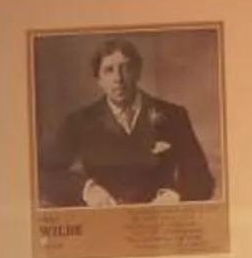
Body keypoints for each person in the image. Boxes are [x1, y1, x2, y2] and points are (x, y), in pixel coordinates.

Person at [40, 37, 216, 210]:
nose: (118, 78)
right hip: (104, 221)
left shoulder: (173, 116)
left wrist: (175, 196)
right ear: (98, 80)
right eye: (109, 70)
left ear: (138, 72)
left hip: (159, 221)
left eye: (126, 68)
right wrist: (88, 190)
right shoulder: (79, 122)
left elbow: (201, 178)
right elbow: (45, 174)